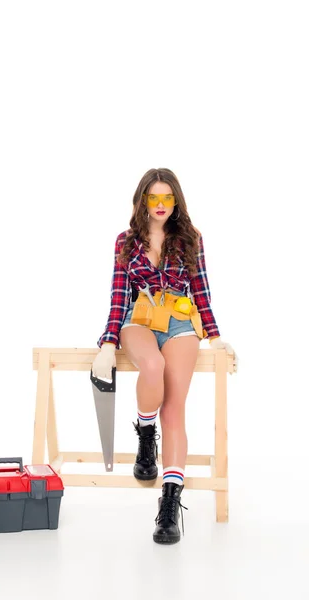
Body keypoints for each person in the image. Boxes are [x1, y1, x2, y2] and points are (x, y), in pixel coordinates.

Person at [92, 167, 234, 545]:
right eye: (152, 197)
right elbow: (119, 295)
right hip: (137, 322)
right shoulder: (126, 241)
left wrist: (215, 336)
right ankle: (145, 431)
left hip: (179, 324)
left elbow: (201, 288)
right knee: (151, 366)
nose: (160, 205)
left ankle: (169, 505)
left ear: (176, 201)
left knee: (175, 410)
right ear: (142, 200)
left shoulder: (190, 238)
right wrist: (108, 342)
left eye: (166, 198)